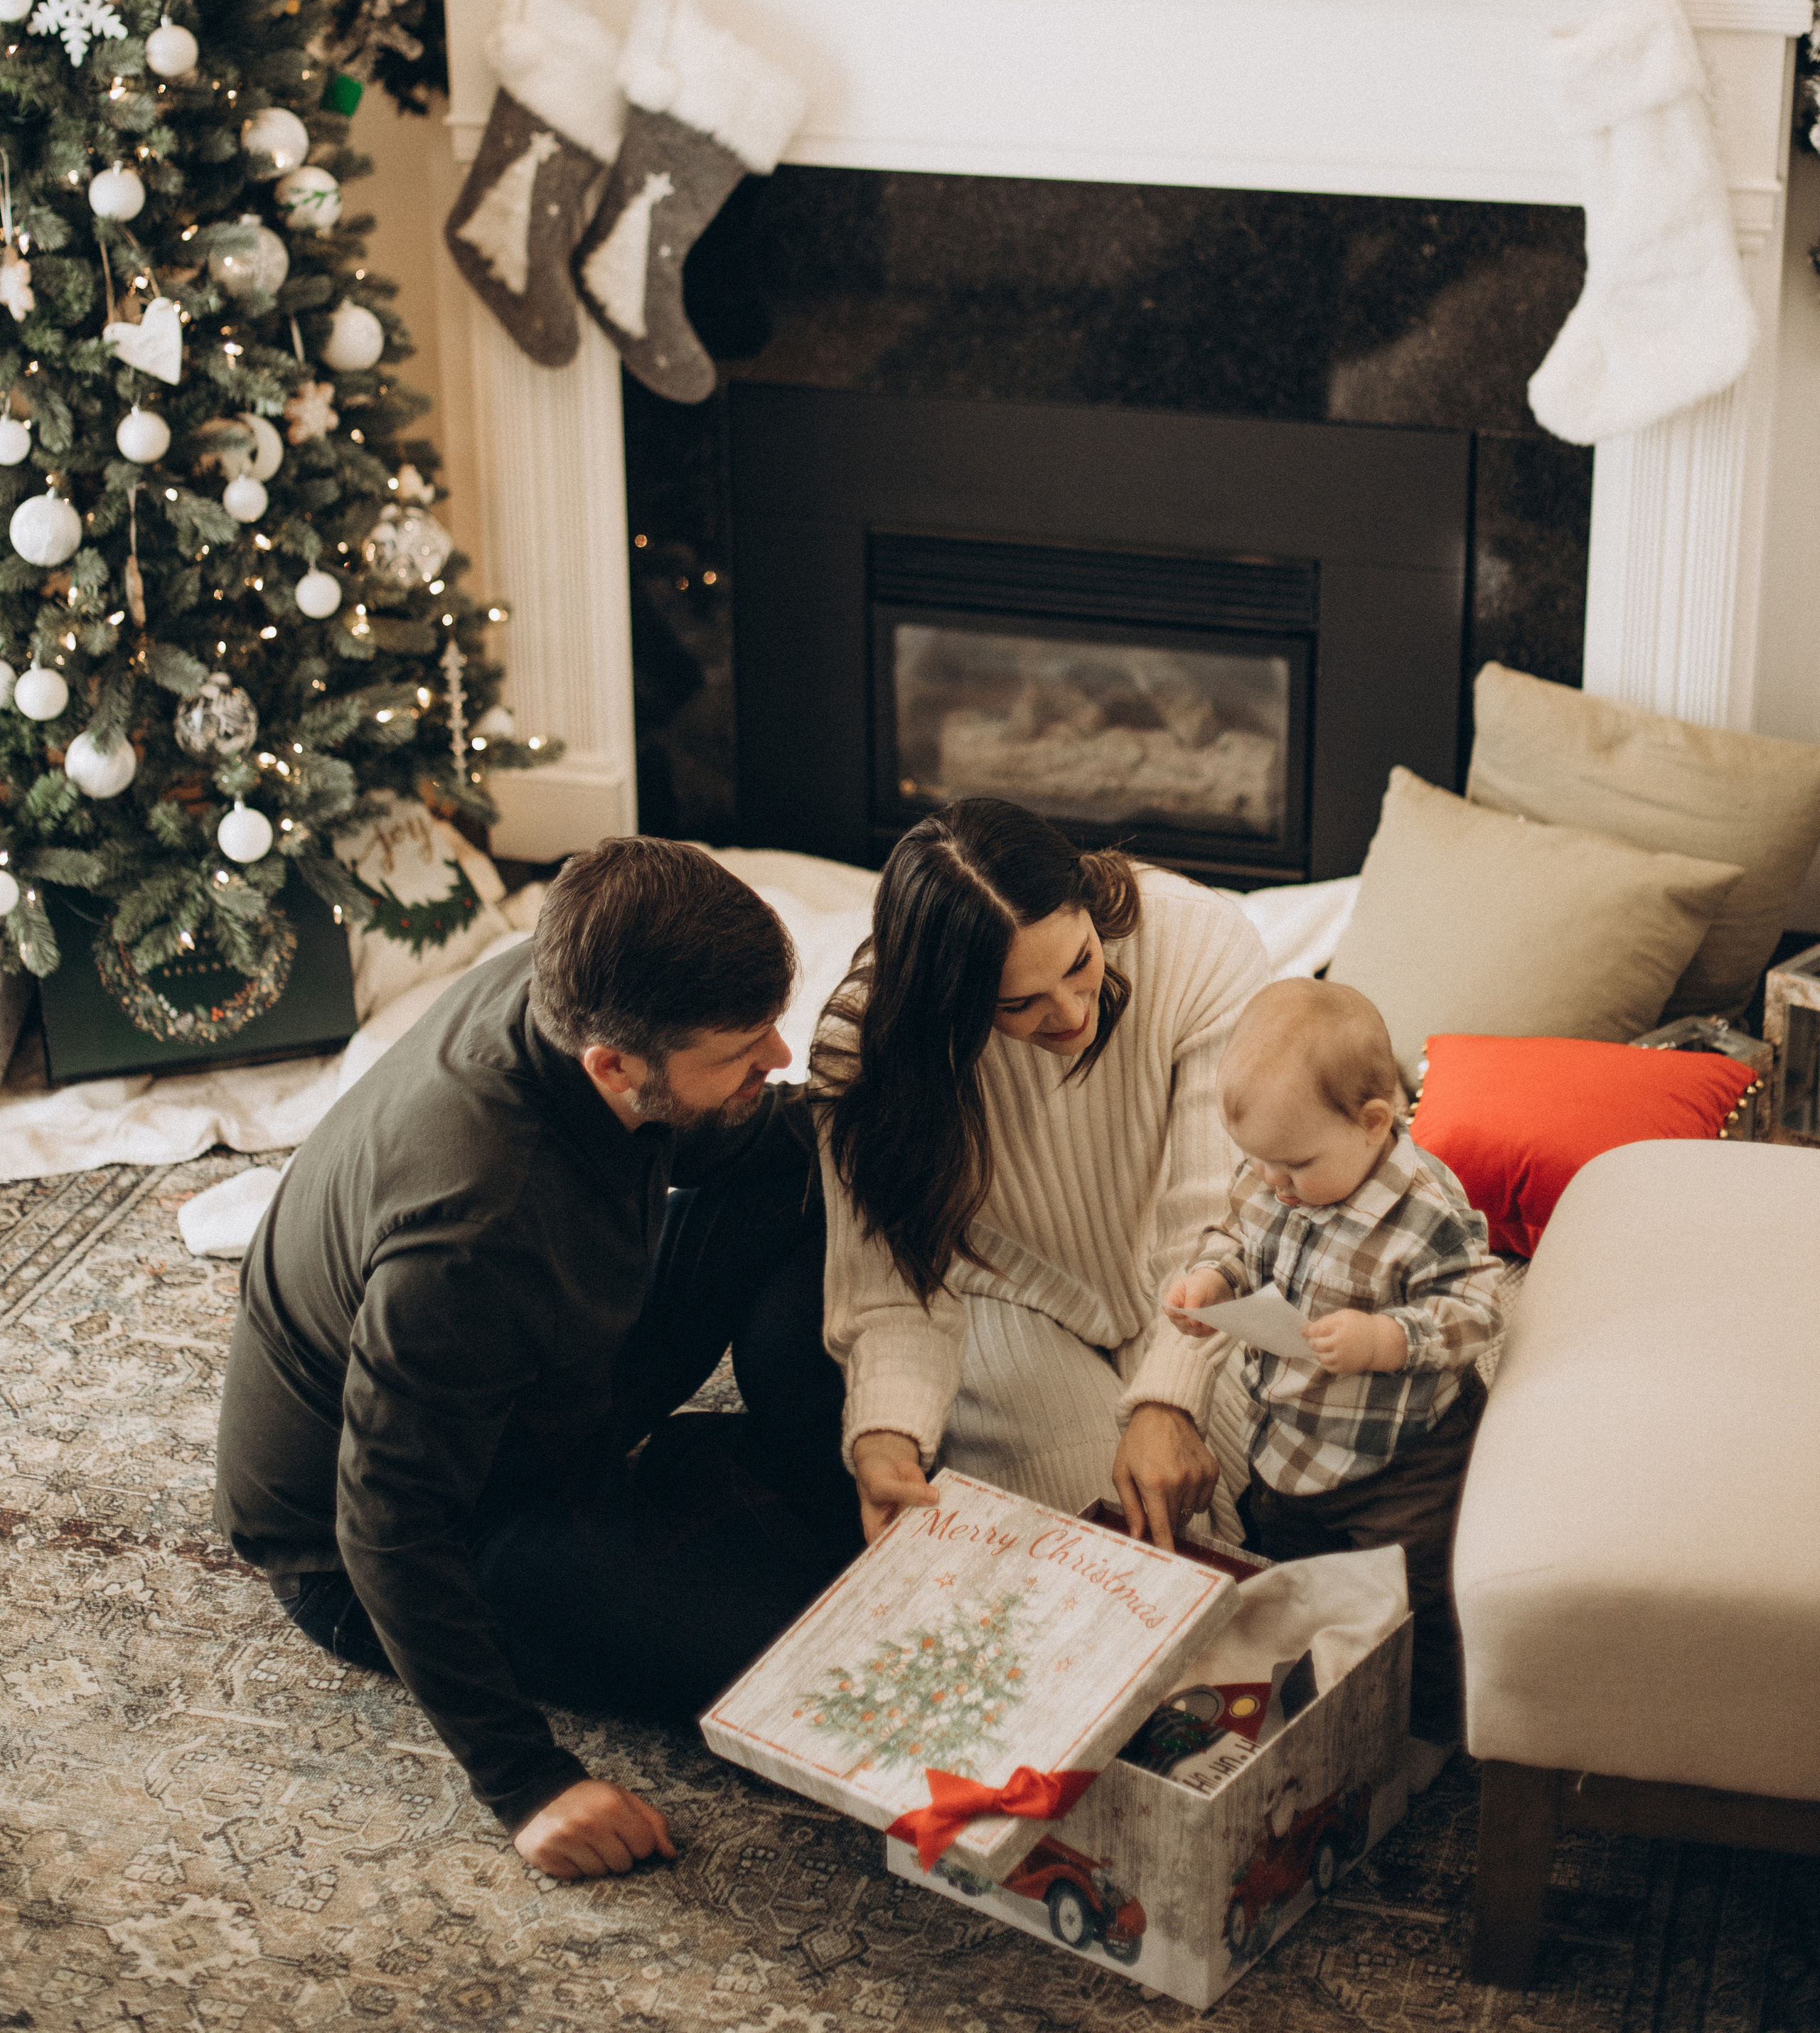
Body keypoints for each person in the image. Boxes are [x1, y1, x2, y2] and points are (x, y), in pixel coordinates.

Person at [215, 838, 857, 1883]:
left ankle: (808, 1474)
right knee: (806, 1658)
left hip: (540, 1385)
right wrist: (527, 1784)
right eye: (744, 1046)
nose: (778, 1056)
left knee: (813, 1171)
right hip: (386, 1546)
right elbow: (384, 1521)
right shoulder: (473, 1235)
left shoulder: (578, 976)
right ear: (614, 1064)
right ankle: (734, 1510)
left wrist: (859, 1125)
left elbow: (696, 1134)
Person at [811, 797, 1267, 1553]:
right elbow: (891, 1293)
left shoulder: (1198, 941)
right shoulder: (862, 1051)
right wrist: (886, 1439)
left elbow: (1211, 1219)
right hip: (1003, 1300)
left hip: (1194, 1282)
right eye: (1017, 1004)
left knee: (1279, 1497)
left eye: (1081, 963)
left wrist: (1171, 1400)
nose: (1069, 1013)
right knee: (1104, 1540)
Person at [1165, 975, 1501, 1763]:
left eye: (1296, 1167)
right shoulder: (1274, 1171)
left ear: (1372, 1122)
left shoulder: (1426, 1209)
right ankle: (1306, 1706)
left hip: (1405, 1457)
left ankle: (1426, 1731)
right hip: (1290, 1438)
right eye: (1262, 1167)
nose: (1277, 1186)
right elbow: (1238, 1239)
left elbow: (1481, 1308)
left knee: (1414, 1598)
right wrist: (1213, 1281)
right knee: (1287, 1574)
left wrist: (1389, 1337)